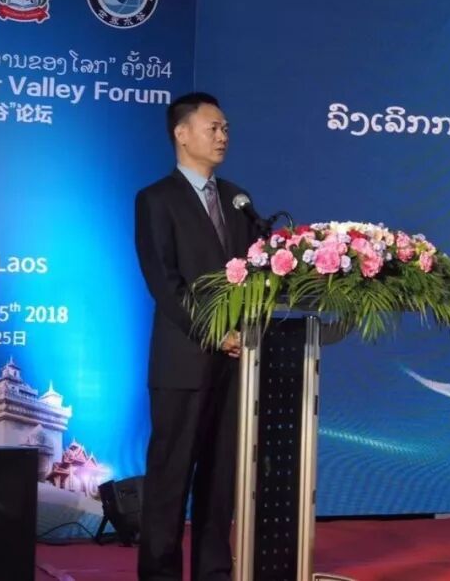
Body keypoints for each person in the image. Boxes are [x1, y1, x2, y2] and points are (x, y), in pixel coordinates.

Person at [134, 92, 260, 580]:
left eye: (226, 128)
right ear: (181, 134)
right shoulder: (156, 199)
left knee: (221, 478)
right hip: (183, 362)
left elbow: (256, 273)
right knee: (170, 478)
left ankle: (213, 572)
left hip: (235, 364)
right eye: (213, 127)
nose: (223, 135)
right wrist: (215, 332)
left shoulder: (237, 199)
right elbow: (165, 283)